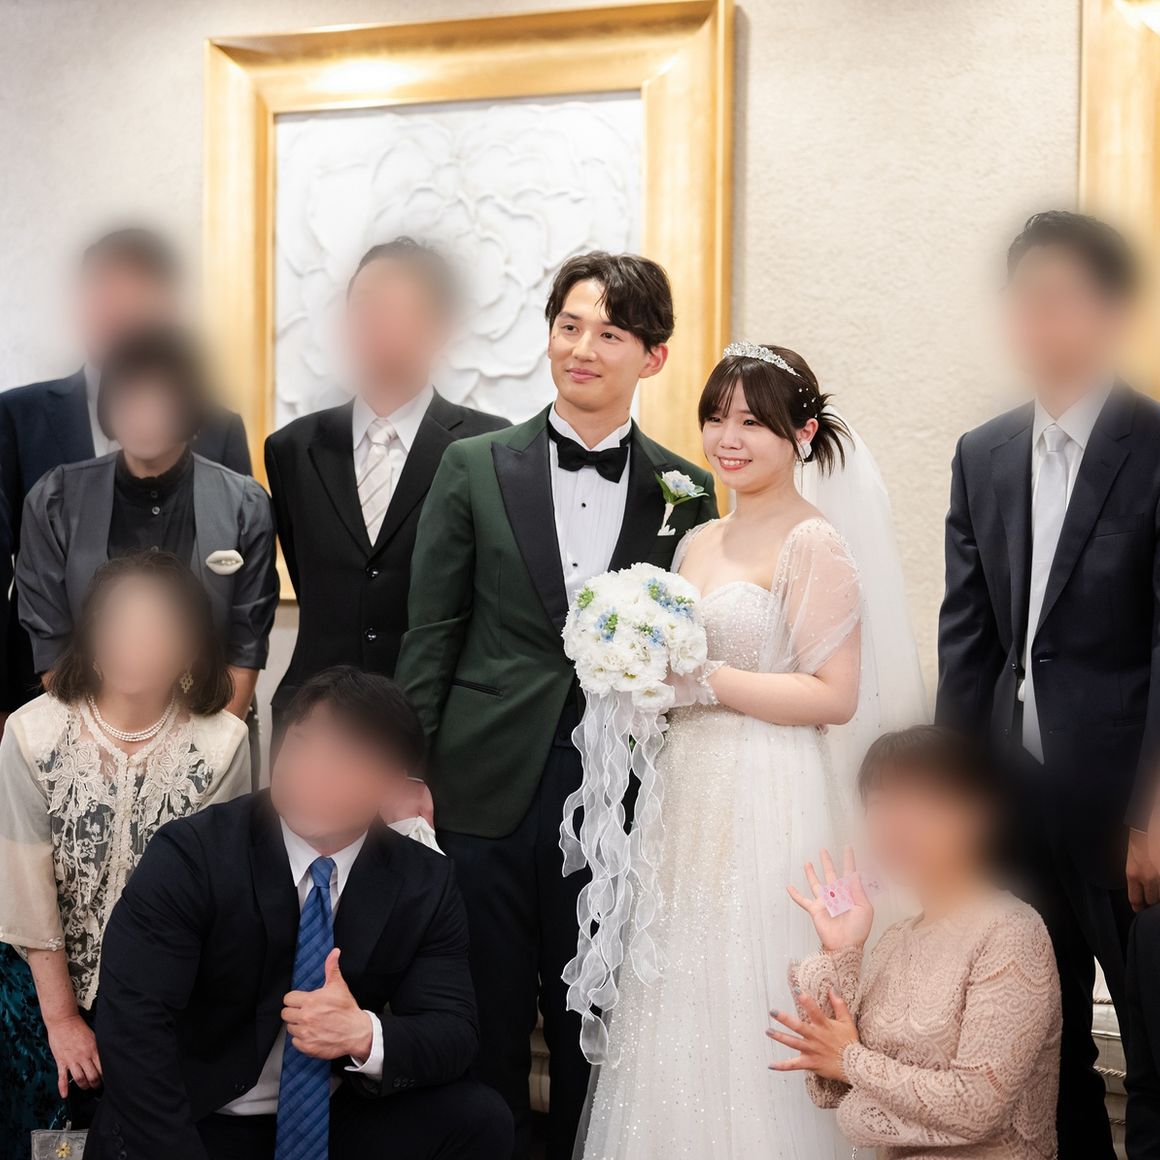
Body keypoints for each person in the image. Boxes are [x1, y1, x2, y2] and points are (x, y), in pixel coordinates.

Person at [395, 252, 717, 1158]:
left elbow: (691, 649)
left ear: (652, 356)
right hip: (480, 783)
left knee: (597, 1020)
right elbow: (432, 631)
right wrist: (407, 772)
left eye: (610, 333)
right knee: (484, 1016)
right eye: (569, 326)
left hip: (616, 795)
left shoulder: (686, 491)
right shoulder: (472, 465)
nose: (583, 348)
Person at [575, 343, 925, 1158]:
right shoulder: (699, 539)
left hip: (767, 786)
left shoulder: (814, 542)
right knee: (680, 981)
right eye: (715, 418)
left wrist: (706, 681)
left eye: (752, 423)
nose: (728, 439)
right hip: (688, 789)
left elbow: (834, 695)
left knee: (751, 974)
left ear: (801, 433)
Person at [936, 210, 1160, 1159]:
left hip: (1128, 806)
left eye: (1063, 297)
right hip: (1015, 796)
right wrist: (953, 806)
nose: (1041, 318)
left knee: (1153, 1051)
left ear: (1109, 311)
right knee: (1044, 1053)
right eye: (1026, 298)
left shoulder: (1154, 441)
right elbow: (969, 643)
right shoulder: (982, 452)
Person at [86, 665, 513, 1160]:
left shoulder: (423, 881)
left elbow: (453, 1031)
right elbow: (133, 1029)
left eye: (343, 758)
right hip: (197, 1116)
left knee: (478, 1119)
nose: (313, 771)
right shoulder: (194, 855)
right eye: (303, 744)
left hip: (331, 1115)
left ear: (391, 785)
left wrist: (362, 1034)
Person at [0, 551, 250, 1155]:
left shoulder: (223, 744)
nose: (135, 643)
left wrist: (138, 1025)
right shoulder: (32, 733)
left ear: (190, 649)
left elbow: (217, 896)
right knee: (44, 1131)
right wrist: (62, 1020)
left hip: (167, 998)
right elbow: (24, 885)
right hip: (38, 980)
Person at [770, 726, 1061, 1160]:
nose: (896, 825)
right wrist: (842, 951)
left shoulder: (1010, 930)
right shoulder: (893, 940)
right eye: (881, 805)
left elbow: (976, 1107)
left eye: (920, 803)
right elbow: (831, 1088)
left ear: (974, 817)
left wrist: (851, 1062)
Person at [0, 227, 250, 718]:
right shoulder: (16, 416)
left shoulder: (218, 427)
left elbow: (236, 592)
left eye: (133, 299)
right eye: (103, 295)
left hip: (187, 711)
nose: (116, 313)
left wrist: (216, 727)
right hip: (37, 706)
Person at [264, 238, 507, 735]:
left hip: (435, 728)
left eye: (402, 309)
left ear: (440, 328)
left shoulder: (490, 447)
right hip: (313, 722)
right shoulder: (292, 449)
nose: (380, 324)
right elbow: (311, 582)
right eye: (367, 306)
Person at [15, 327, 277, 749]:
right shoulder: (55, 500)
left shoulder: (244, 505)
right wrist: (102, 753)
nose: (144, 412)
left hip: (212, 738)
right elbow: (52, 647)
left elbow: (245, 650)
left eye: (161, 398)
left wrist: (204, 759)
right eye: (129, 396)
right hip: (84, 745)